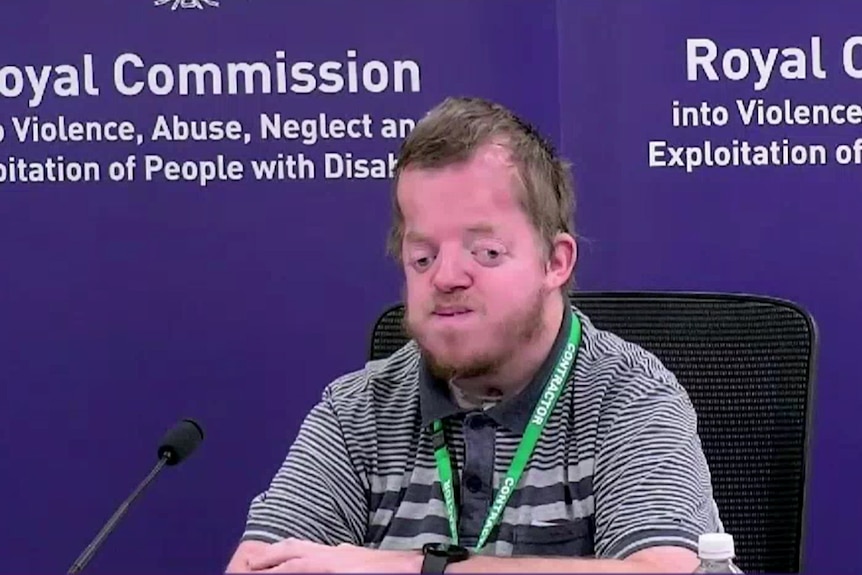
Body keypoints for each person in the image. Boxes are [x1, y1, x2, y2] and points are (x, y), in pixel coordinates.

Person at [225, 97, 724, 573]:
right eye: (423, 257)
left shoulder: (629, 395)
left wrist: (409, 566)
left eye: (484, 252)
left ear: (555, 262)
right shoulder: (356, 411)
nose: (445, 278)